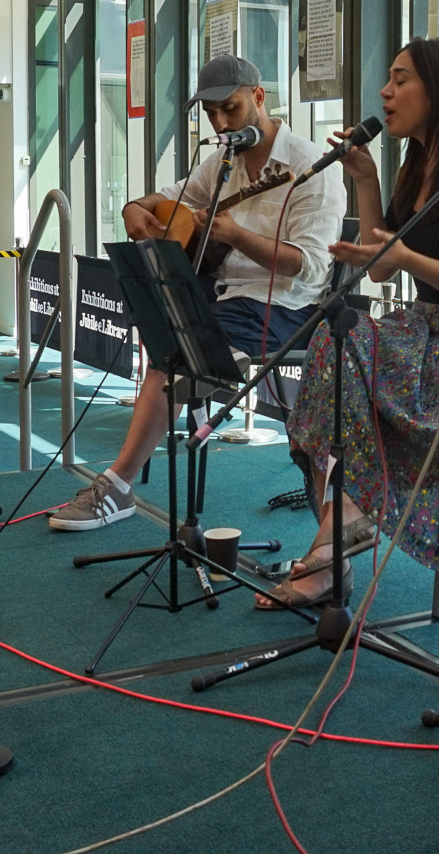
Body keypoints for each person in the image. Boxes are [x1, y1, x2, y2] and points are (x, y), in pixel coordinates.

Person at [266, 37, 439, 609]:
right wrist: (365, 179)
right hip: (424, 334)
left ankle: (335, 545)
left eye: (400, 79)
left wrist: (407, 258)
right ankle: (343, 525)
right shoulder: (418, 165)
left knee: (356, 365)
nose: (384, 92)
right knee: (335, 344)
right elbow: (380, 262)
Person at [47, 56, 344, 531]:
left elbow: (310, 266)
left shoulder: (310, 167)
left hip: (288, 305)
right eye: (210, 113)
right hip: (225, 296)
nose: (220, 124)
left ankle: (118, 485)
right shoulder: (224, 162)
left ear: (259, 97)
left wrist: (236, 236)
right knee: (163, 325)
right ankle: (176, 408)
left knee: (177, 350)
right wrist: (133, 207)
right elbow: (171, 196)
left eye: (230, 108)